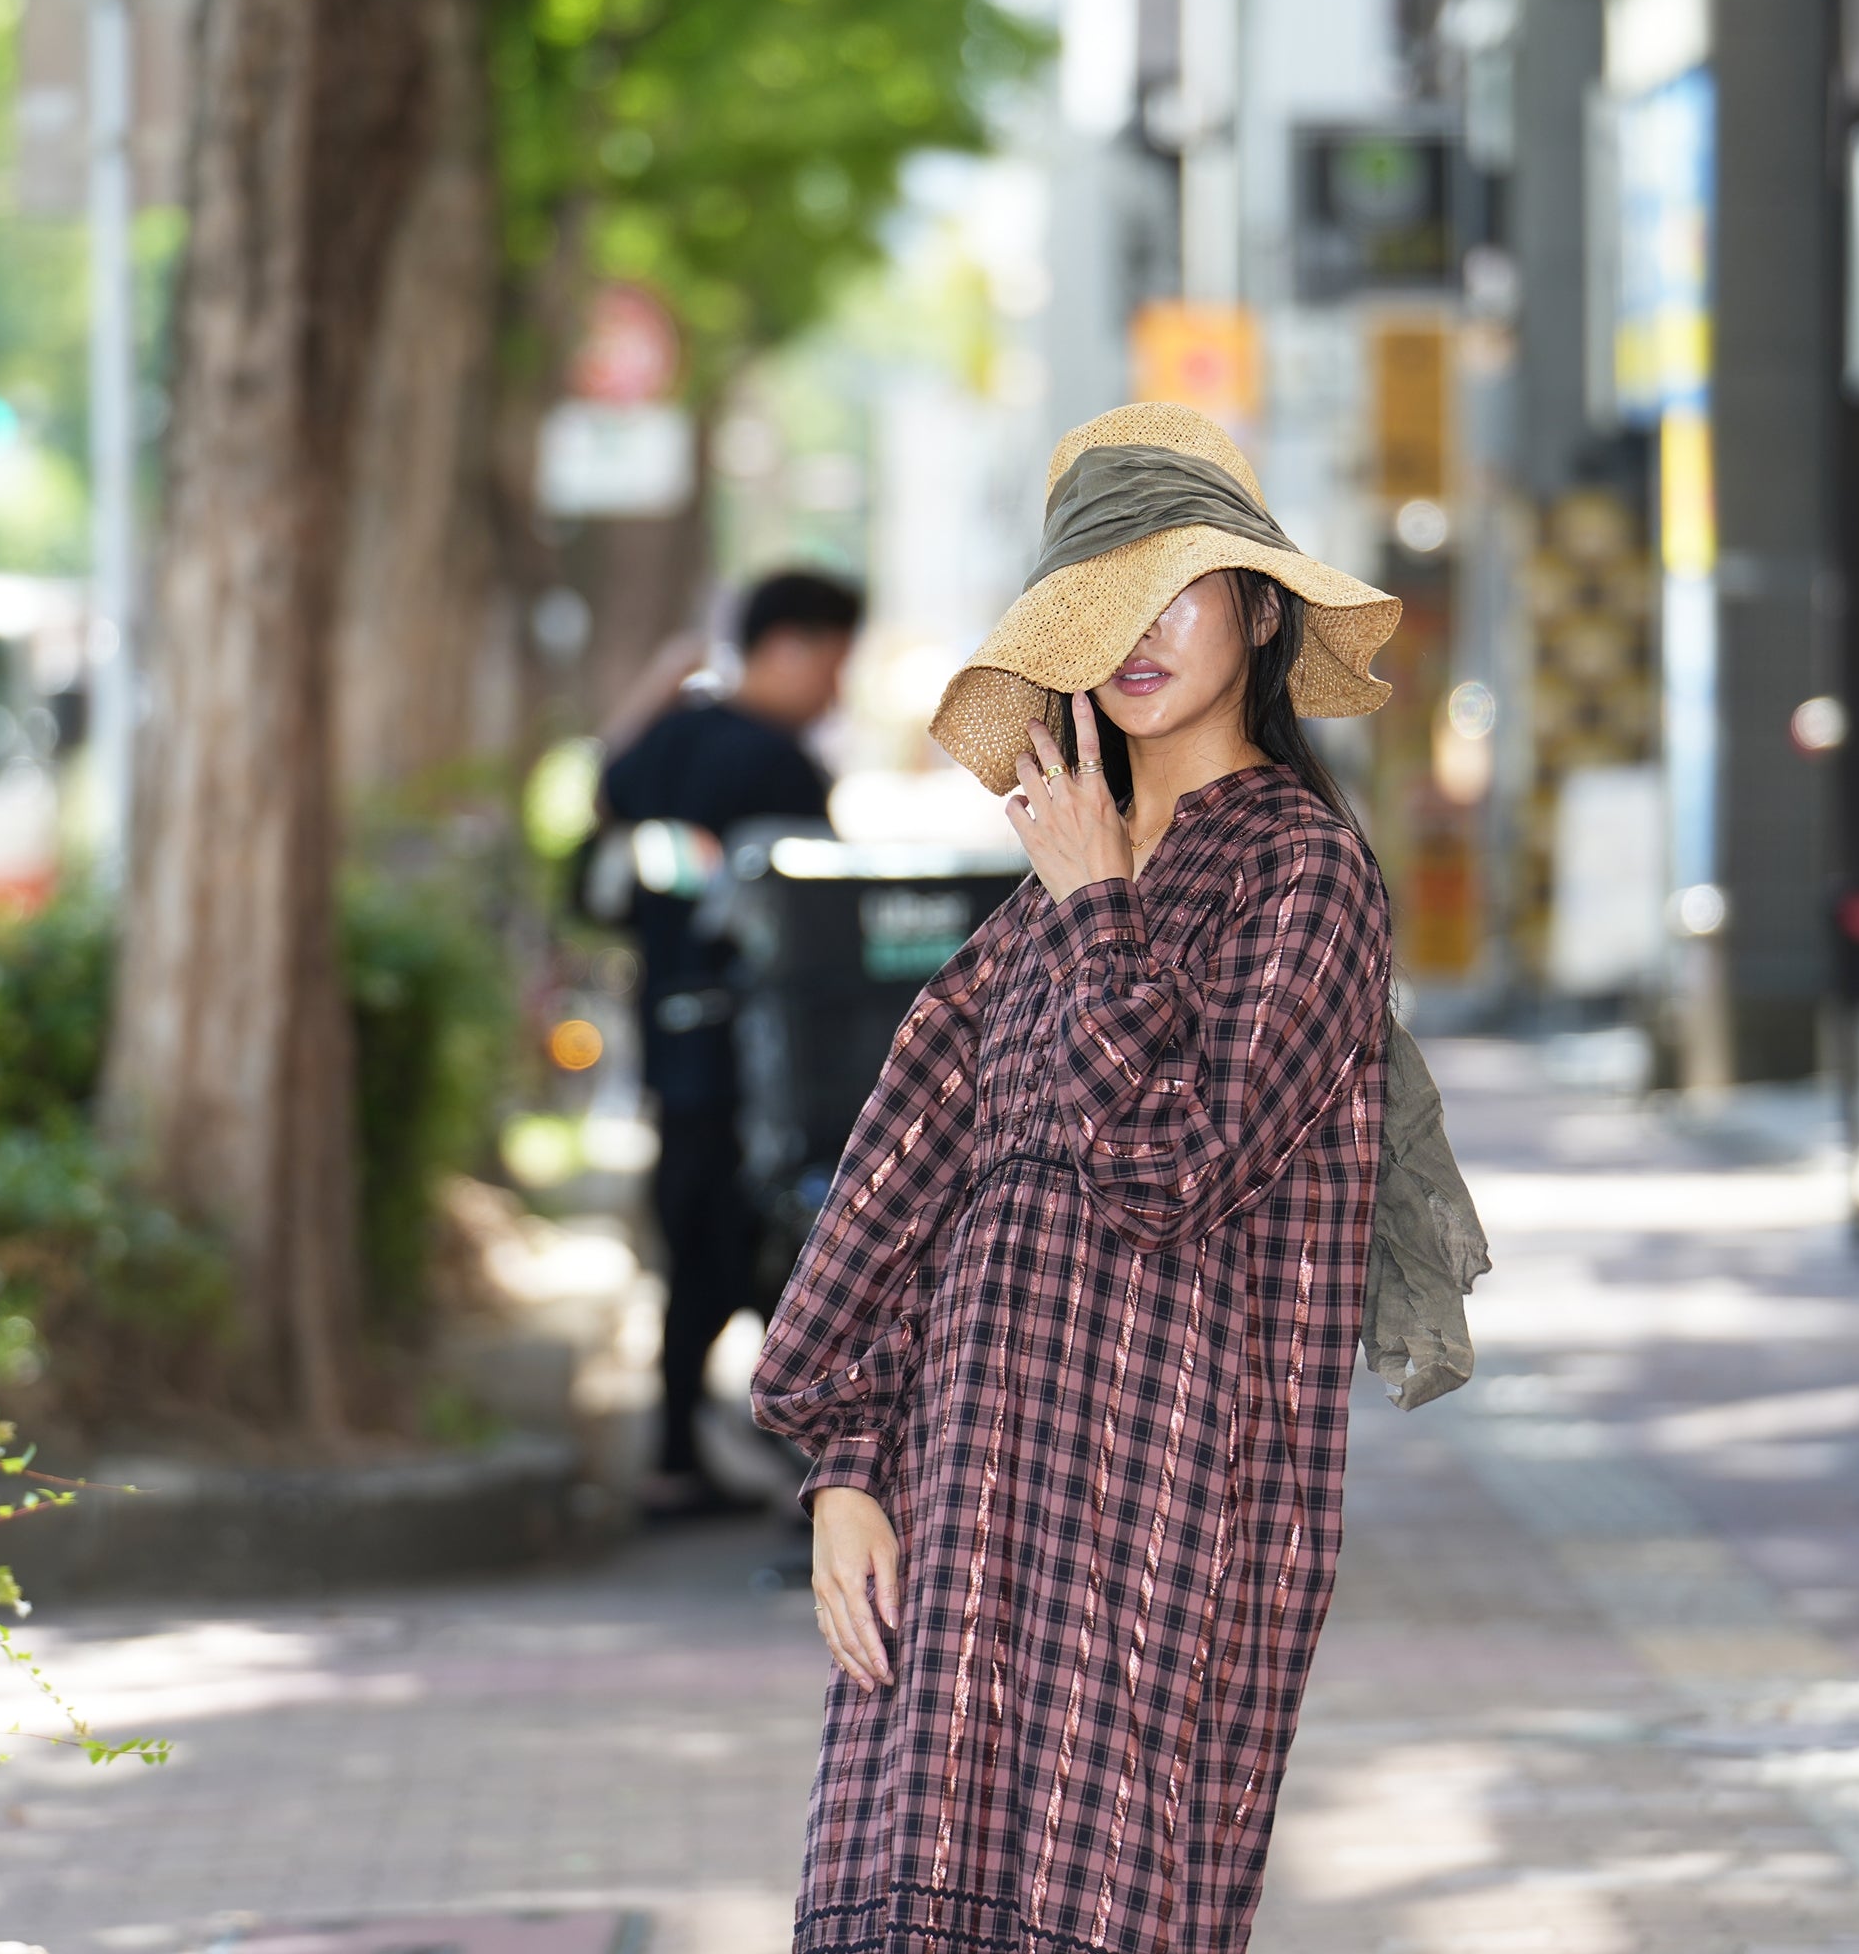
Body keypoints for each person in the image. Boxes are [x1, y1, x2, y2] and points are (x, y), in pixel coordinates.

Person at [750, 402, 1403, 1953]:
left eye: (1174, 585)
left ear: (1258, 608)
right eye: (1096, 599)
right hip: (965, 1497)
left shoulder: (1304, 873)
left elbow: (1177, 1166)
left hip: (1169, 1513)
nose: (1136, 633)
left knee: (1102, 1910)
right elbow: (899, 1194)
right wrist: (848, 1470)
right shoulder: (1037, 905)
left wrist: (1103, 898)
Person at [601, 568, 865, 1520]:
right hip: (757, 1060)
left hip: (671, 1042)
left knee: (695, 1244)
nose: (835, 691)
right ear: (788, 646)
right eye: (833, 665)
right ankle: (807, 1458)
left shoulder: (669, 740)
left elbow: (607, 792)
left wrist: (663, 686)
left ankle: (679, 1452)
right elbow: (814, 921)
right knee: (762, 1248)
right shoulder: (778, 766)